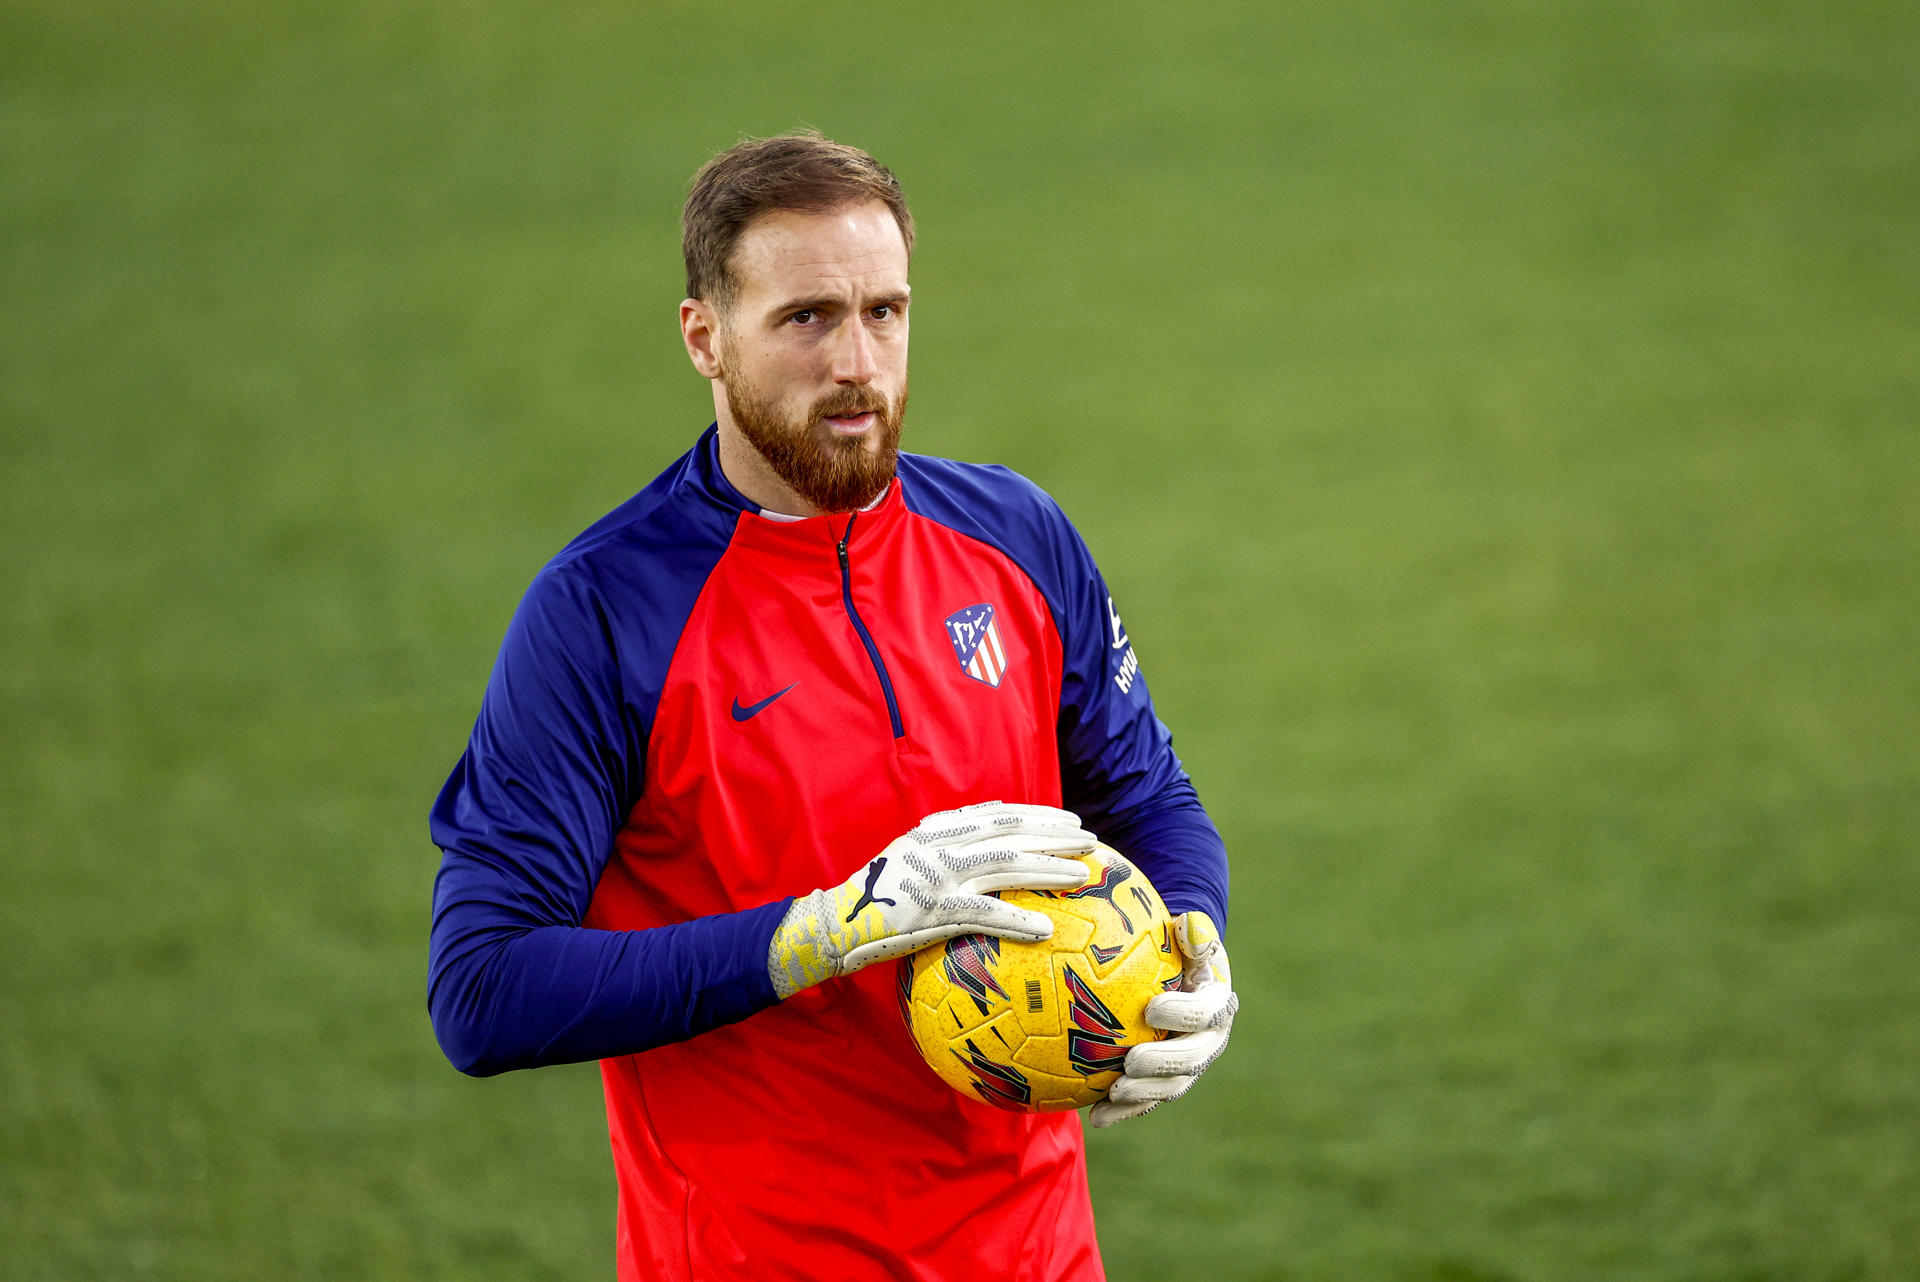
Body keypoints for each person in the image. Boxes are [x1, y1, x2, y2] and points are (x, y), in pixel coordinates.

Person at [428, 132, 1237, 1282]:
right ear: (704, 338)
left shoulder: (1016, 538)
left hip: (1039, 1256)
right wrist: (816, 935)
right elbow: (483, 989)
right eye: (807, 318)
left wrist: (1193, 936)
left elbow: (1148, 793)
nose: (858, 363)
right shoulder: (604, 614)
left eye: (885, 312)